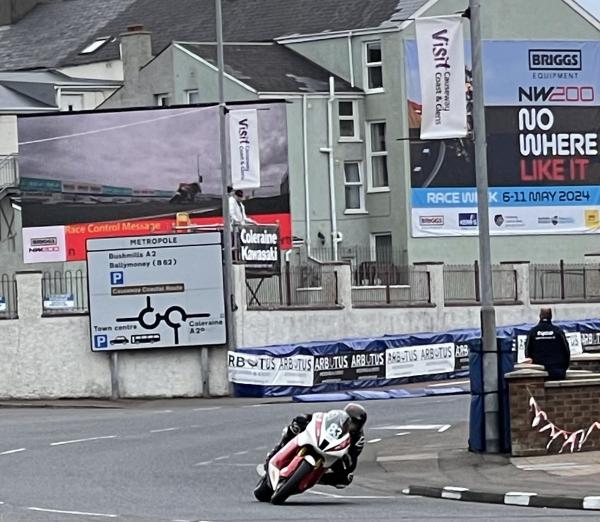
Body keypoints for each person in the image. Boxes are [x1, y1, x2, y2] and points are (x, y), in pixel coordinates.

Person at [264, 403, 367, 488]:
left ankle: (316, 478)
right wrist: (304, 418)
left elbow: (353, 462)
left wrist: (348, 458)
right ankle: (275, 453)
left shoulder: (358, 439)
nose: (350, 426)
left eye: (354, 424)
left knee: (346, 478)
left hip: (334, 454)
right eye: (349, 422)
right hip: (318, 438)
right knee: (294, 428)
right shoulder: (334, 417)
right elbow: (317, 419)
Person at [523, 307, 571, 379]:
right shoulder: (558, 331)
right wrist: (564, 367)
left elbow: (528, 352)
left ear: (540, 316)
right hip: (557, 372)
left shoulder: (533, 332)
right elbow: (566, 351)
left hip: (538, 373)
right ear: (551, 316)